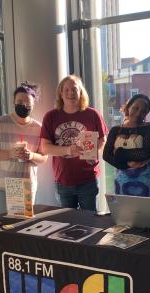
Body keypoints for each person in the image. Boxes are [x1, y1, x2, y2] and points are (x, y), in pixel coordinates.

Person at [40, 75, 108, 211]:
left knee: (89, 222)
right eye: (67, 90)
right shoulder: (50, 116)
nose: (71, 93)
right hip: (63, 180)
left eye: (75, 89)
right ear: (60, 92)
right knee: (67, 223)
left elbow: (102, 139)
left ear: (81, 92)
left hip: (88, 179)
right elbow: (45, 148)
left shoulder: (93, 114)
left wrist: (95, 153)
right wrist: (68, 150)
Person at [0, 83, 48, 214]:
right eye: (19, 101)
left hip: (24, 183)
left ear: (33, 104)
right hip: (0, 184)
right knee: (1, 224)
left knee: (21, 226)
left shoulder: (38, 128)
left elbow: (44, 157)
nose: (23, 105)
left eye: (27, 102)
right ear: (13, 102)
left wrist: (31, 156)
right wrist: (10, 153)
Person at [103, 94, 150, 197]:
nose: (138, 113)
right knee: (123, 208)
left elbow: (145, 153)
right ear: (128, 107)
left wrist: (119, 152)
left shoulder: (149, 128)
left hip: (144, 177)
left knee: (145, 209)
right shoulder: (115, 130)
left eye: (143, 111)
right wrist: (126, 165)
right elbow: (106, 155)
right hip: (121, 177)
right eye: (135, 108)